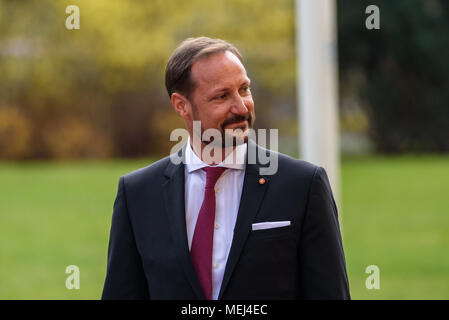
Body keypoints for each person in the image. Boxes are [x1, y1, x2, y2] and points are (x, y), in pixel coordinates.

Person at [102, 37, 350, 300]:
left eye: (244, 89)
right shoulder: (138, 193)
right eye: (222, 96)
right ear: (181, 105)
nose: (241, 107)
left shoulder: (303, 185)